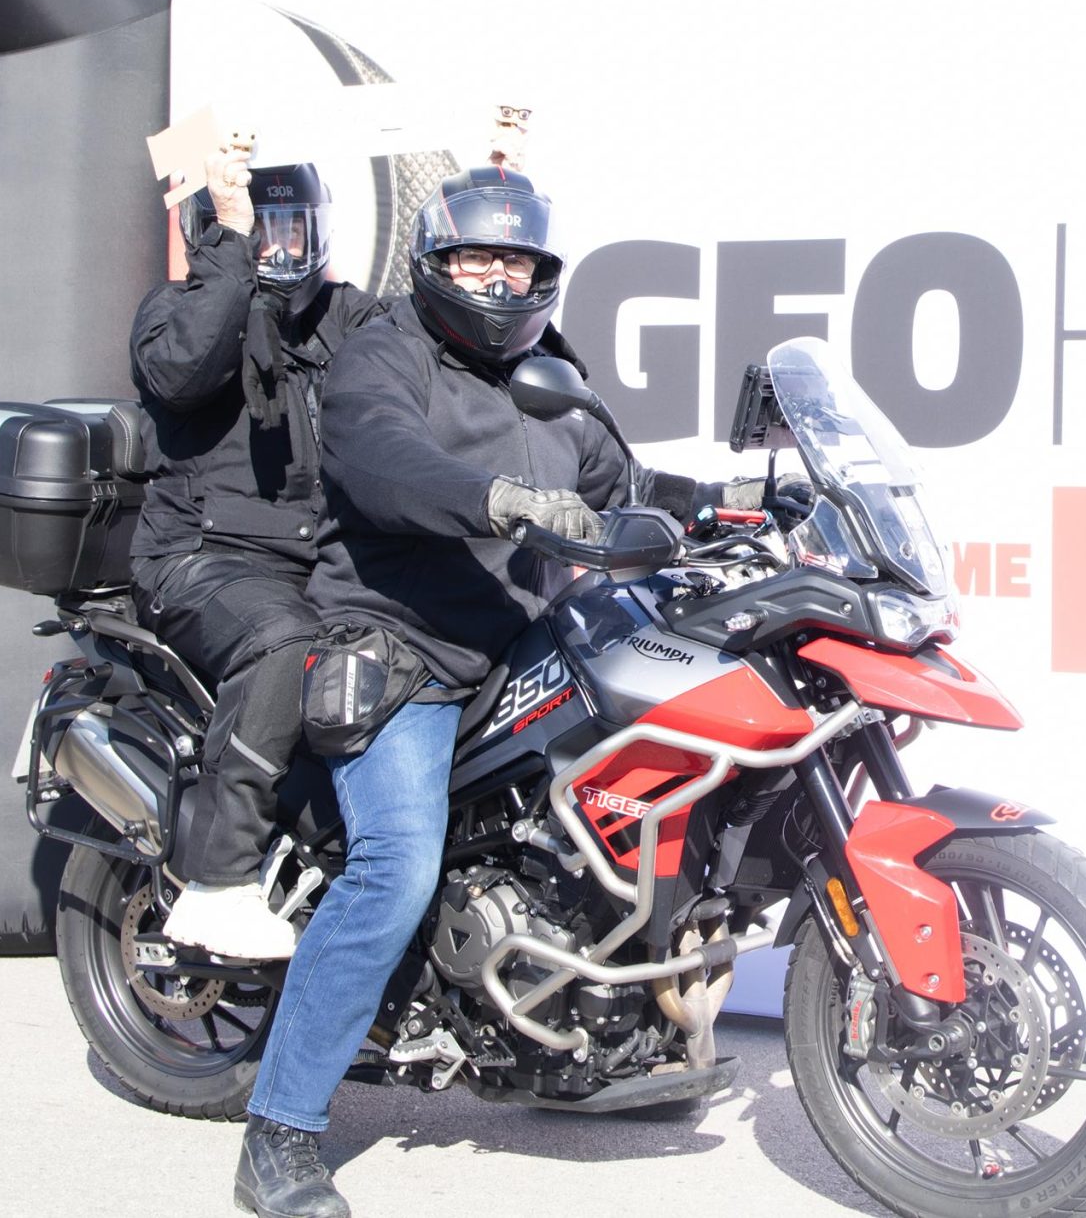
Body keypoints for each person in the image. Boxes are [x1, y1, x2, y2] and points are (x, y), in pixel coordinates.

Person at [231, 167, 769, 1218]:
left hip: (528, 641)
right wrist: (496, 500)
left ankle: (603, 1039)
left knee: (628, 810)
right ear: (435, 261)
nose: (497, 278)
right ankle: (280, 1132)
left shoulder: (549, 369)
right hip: (408, 649)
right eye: (476, 256)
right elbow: (381, 458)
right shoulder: (385, 350)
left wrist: (731, 503)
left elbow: (619, 483)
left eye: (516, 261)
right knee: (394, 868)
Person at [130, 140, 382, 963]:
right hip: (200, 559)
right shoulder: (176, 312)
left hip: (316, 564)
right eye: (258, 228)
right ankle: (219, 881)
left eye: (290, 228)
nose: (278, 246)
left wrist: (492, 228)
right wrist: (231, 248)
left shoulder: (344, 318)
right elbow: (183, 370)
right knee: (283, 640)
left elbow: (442, 347)